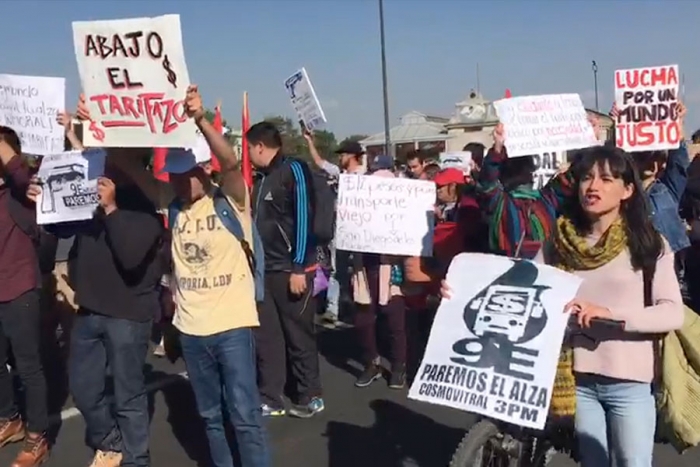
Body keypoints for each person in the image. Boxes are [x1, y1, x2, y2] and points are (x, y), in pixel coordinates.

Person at [446, 145, 684, 466]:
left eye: (606, 179)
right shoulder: (559, 240)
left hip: (630, 384)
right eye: (586, 177)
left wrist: (611, 315)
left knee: (633, 462)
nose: (593, 186)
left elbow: (671, 311)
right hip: (578, 381)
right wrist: (462, 292)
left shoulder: (649, 243)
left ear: (627, 190)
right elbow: (522, 283)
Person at [76, 87, 271, 467]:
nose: (182, 182)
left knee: (245, 417)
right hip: (192, 330)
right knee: (212, 418)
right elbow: (129, 166)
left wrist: (199, 119)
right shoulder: (174, 204)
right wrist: (92, 127)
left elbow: (231, 163)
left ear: (204, 170)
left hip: (232, 326)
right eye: (177, 175)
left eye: (188, 175)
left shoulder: (231, 199)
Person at [247, 121, 324, 418]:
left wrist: (299, 267)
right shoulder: (261, 178)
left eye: (249, 149)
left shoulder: (294, 170)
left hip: (291, 269)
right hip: (266, 270)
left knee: (299, 335)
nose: (249, 155)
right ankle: (271, 396)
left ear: (260, 146)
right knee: (267, 337)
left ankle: (310, 394)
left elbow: (304, 217)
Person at [0, 126, 50, 467]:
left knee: (29, 367)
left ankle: (37, 438)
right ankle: (10, 419)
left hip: (20, 288)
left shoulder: (25, 189)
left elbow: (19, 172)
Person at [352, 155, 408, 389]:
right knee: (369, 318)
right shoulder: (359, 193)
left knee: (390, 320)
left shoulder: (402, 195)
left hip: (390, 264)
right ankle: (381, 364)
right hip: (366, 263)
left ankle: (395, 366)